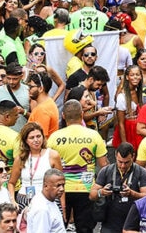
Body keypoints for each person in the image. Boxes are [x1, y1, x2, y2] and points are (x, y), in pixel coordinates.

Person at [48, 99, 109, 233]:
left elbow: (48, 166)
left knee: (59, 228)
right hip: (86, 188)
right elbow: (104, 165)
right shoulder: (93, 135)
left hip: (61, 189)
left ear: (63, 116)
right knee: (85, 229)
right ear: (82, 114)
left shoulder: (54, 137)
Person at [91, 141, 146, 233]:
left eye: (127, 162)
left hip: (133, 221)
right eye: (120, 162)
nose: (123, 166)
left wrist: (132, 193)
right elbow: (92, 195)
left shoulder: (141, 172)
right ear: (115, 155)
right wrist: (101, 192)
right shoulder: (106, 171)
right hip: (109, 221)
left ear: (133, 156)